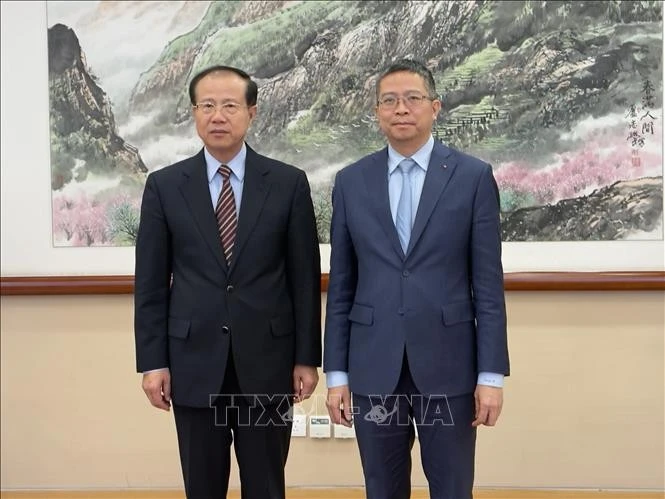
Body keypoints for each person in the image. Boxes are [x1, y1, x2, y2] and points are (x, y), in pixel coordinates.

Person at [324, 59, 510, 499]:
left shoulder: (472, 177)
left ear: (435, 107)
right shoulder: (351, 182)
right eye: (389, 100)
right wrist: (336, 374)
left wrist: (491, 377)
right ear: (376, 112)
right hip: (373, 365)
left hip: (450, 366)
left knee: (451, 488)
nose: (400, 108)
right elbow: (342, 286)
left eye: (412, 98)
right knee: (382, 489)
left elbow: (487, 286)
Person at [134, 65, 321, 499]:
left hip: (268, 363)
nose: (218, 116)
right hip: (192, 363)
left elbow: (304, 279)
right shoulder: (164, 186)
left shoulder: (288, 184)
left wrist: (306, 358)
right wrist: (152, 361)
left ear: (251, 113)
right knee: (202, 487)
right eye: (208, 106)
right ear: (194, 113)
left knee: (266, 486)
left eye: (230, 106)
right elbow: (150, 285)